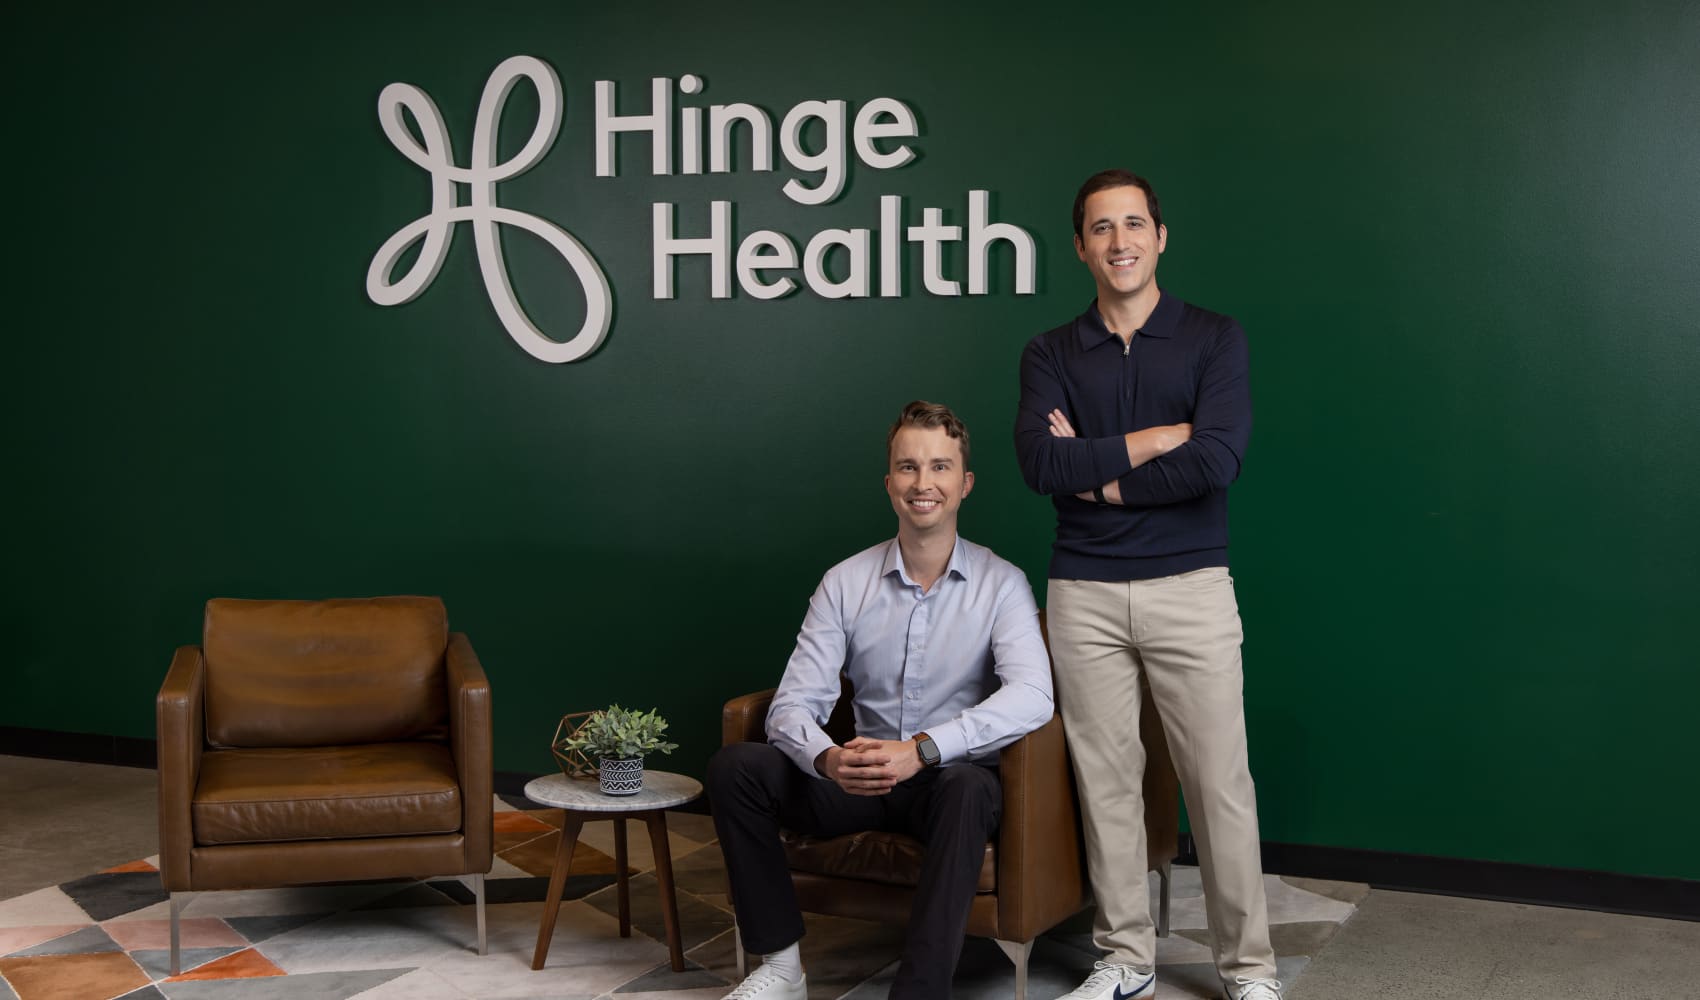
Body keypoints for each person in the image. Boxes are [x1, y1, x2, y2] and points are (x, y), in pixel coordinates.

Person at [1014, 169, 1282, 1000]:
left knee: (1218, 785)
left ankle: (1249, 969)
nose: (1119, 241)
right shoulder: (1049, 352)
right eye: (1102, 228)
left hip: (1190, 586)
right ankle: (1125, 958)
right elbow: (1040, 464)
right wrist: (1158, 438)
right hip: (1083, 593)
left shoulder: (1215, 338)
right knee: (1106, 781)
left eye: (1134, 224)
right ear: (1080, 247)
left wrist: (1097, 478)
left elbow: (1216, 460)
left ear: (1160, 238)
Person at [708, 400, 1053, 1000]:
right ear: (889, 482)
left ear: (965, 484)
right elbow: (792, 705)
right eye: (908, 467)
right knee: (737, 767)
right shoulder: (845, 581)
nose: (924, 483)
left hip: (946, 783)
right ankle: (782, 969)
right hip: (857, 780)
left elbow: (1033, 696)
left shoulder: (1003, 584)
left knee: (970, 788)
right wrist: (827, 759)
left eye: (940, 467)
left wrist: (921, 750)